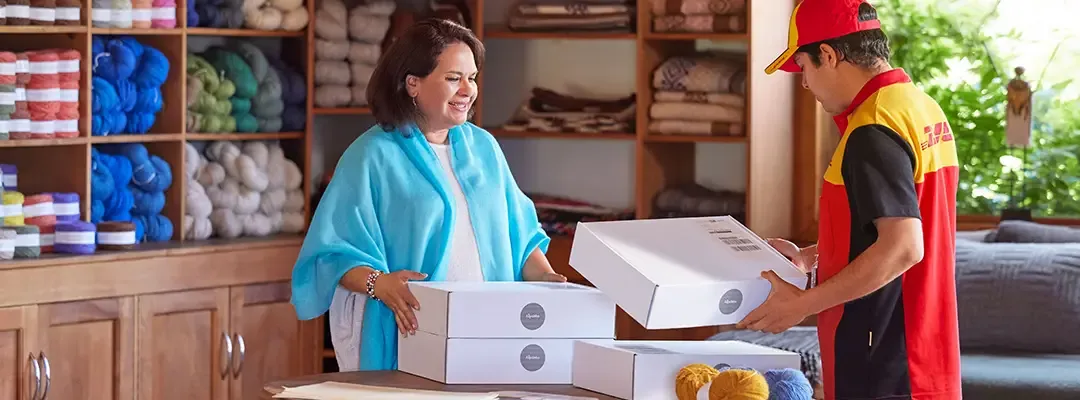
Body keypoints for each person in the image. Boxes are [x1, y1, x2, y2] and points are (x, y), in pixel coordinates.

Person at [289, 18, 567, 372]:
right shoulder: (372, 155)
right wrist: (380, 284)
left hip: (491, 329)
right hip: (411, 329)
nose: (468, 89)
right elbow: (332, 252)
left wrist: (544, 277)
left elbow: (522, 235)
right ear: (413, 84)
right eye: (454, 78)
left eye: (472, 78)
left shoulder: (485, 149)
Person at [737, 1, 961, 400]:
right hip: (923, 350)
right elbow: (896, 223)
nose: (804, 84)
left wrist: (801, 304)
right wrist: (816, 255)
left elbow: (904, 247)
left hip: (881, 357)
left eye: (803, 67)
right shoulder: (918, 108)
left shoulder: (872, 130)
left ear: (828, 55)